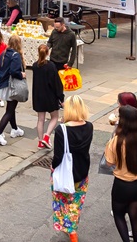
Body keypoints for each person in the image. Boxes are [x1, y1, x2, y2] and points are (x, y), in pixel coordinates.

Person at [104, 106, 137, 242]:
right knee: (135, 216)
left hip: (122, 185)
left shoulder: (116, 141)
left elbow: (108, 163)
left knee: (119, 215)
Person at [51, 95, 93, 242]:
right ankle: (72, 230)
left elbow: (58, 156)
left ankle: (68, 228)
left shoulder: (61, 130)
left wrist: (52, 166)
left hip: (66, 173)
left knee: (63, 201)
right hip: (82, 171)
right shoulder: (89, 126)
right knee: (76, 202)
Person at [0, 34, 26, 145]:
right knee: (9, 110)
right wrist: (22, 75)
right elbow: (14, 71)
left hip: (4, 84)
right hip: (12, 86)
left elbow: (0, 67)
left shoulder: (4, 53)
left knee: (11, 108)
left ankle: (15, 129)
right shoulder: (16, 55)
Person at [33, 44, 64, 149]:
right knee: (55, 117)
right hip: (50, 96)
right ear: (48, 53)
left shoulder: (34, 65)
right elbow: (56, 84)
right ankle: (47, 136)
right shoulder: (51, 66)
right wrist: (61, 97)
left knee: (40, 119)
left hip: (38, 96)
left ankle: (40, 141)